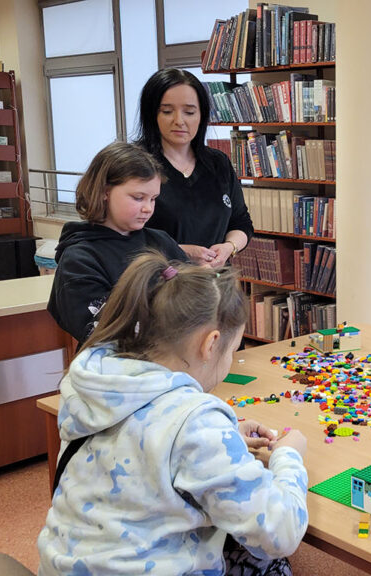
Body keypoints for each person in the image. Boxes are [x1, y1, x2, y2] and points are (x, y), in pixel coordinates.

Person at [38, 252, 309, 576]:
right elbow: (280, 533)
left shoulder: (93, 386)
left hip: (62, 568)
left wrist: (226, 440)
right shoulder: (196, 421)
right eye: (233, 351)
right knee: (270, 561)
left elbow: (140, 449)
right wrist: (289, 458)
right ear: (210, 345)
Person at [48, 141, 188, 344]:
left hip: (172, 361)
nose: (148, 208)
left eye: (153, 199)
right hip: (115, 368)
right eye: (138, 198)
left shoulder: (161, 241)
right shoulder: (79, 260)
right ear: (105, 192)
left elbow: (194, 298)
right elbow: (104, 332)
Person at [135, 68, 254, 267]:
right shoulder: (134, 164)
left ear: (201, 115)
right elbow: (120, 236)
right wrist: (179, 251)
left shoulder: (218, 163)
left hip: (215, 286)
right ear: (152, 114)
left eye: (189, 112)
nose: (179, 121)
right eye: (167, 111)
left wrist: (229, 247)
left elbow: (241, 221)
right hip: (160, 286)